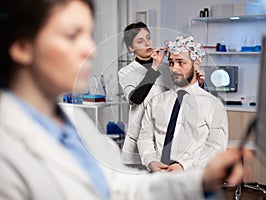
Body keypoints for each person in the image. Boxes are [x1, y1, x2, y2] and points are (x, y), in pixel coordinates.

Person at [0, 0, 245, 199]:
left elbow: (122, 189)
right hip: (144, 149)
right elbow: (138, 97)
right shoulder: (7, 154)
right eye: (73, 35)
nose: (91, 49)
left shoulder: (73, 123)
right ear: (22, 47)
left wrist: (197, 177)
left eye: (90, 34)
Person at [137, 36, 228, 172]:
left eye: (181, 63)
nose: (174, 69)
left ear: (196, 64)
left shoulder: (212, 105)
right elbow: (145, 138)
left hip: (192, 179)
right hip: (158, 176)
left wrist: (184, 166)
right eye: (171, 63)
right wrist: (151, 162)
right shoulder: (156, 102)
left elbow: (216, 147)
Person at [118, 22, 173, 165]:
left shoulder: (166, 69)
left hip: (162, 140)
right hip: (137, 142)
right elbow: (136, 98)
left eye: (148, 38)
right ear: (131, 48)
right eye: (140, 41)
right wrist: (154, 67)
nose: (147, 43)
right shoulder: (126, 72)